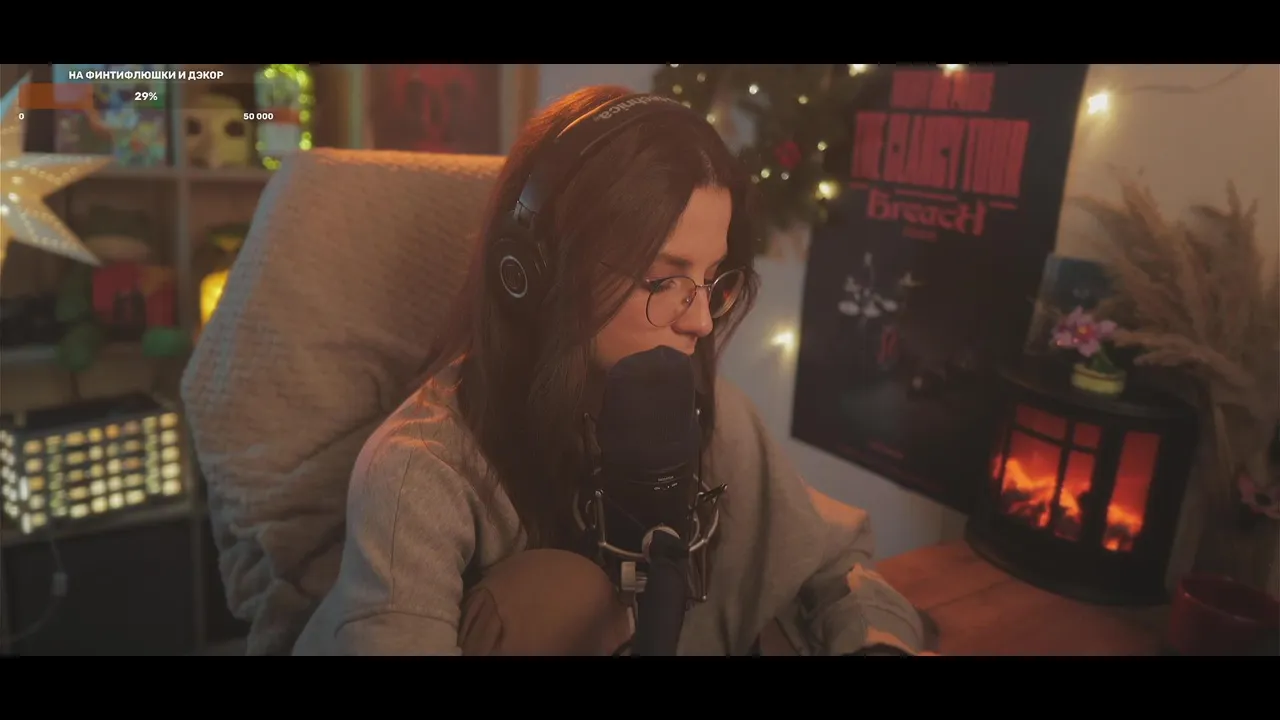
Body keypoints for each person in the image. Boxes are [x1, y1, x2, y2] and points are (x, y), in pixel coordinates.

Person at [291, 84, 929, 656]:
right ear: (536, 274)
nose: (701, 322)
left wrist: (880, 648)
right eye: (662, 279)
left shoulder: (711, 414)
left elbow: (837, 567)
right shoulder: (418, 472)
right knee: (556, 592)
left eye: (711, 279)